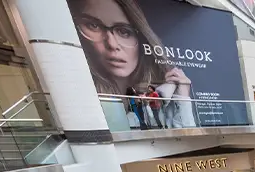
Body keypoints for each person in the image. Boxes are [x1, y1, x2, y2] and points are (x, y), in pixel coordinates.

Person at [68, 0, 196, 128]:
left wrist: (183, 98)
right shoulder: (80, 95)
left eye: (124, 31)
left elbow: (187, 136)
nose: (112, 44)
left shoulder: (162, 94)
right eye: (93, 25)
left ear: (141, 39)